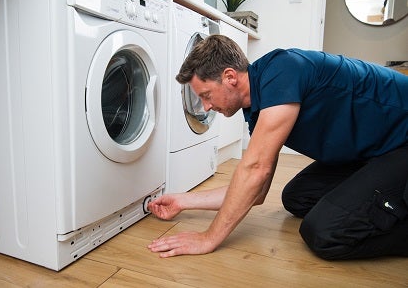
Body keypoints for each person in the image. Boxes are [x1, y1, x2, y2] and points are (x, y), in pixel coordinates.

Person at [147, 35, 408, 260]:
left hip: (402, 140)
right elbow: (256, 191)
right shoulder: (257, 108)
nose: (205, 106)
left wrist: (208, 238)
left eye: (205, 95)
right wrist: (183, 201)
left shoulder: (283, 70)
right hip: (374, 150)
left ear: (229, 77)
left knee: (324, 233)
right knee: (297, 197)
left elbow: (255, 169)